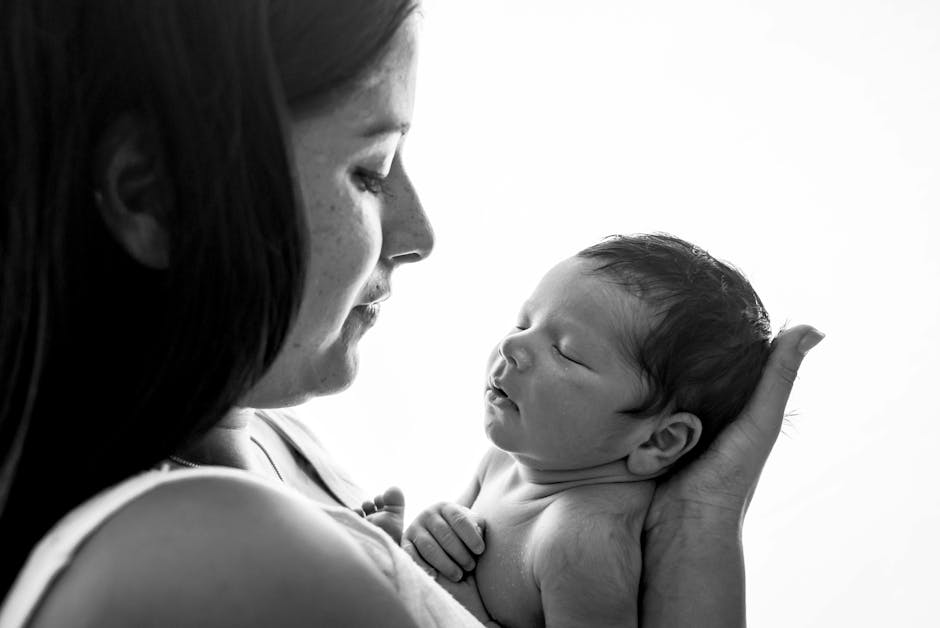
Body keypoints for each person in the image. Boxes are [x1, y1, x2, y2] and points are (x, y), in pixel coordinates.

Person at [0, 0, 824, 626]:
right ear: (155, 193)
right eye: (371, 169)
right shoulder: (207, 550)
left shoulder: (276, 446)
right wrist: (697, 534)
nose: (420, 233)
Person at [403, 234, 773, 627]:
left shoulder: (581, 541)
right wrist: (436, 530)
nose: (513, 345)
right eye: (523, 322)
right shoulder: (503, 463)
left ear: (658, 440)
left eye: (565, 351)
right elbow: (449, 559)